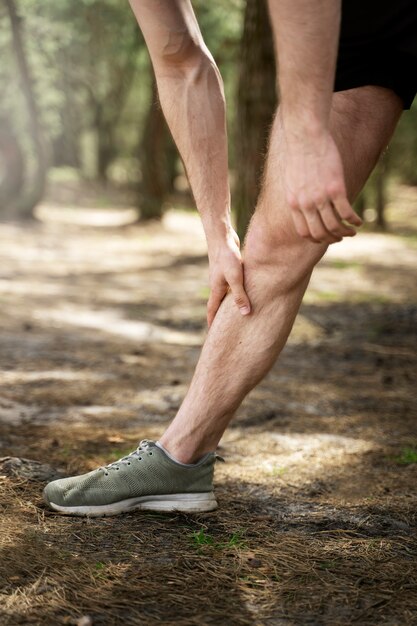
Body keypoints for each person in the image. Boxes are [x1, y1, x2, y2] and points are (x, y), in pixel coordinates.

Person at [43, 0, 416, 516]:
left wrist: (309, 136)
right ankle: (180, 457)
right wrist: (220, 235)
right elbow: (181, 60)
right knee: (273, 250)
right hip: (356, 38)